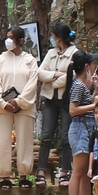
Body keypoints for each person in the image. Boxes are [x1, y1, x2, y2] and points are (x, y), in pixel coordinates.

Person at [0, 27, 39, 188]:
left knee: (24, 140)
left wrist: (19, 101)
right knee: (2, 141)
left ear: (21, 41)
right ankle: (5, 176)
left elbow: (32, 84)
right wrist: (3, 103)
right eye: (7, 37)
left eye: (12, 37)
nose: (8, 40)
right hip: (2, 108)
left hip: (25, 106)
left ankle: (23, 175)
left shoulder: (30, 60)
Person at [36, 24, 77, 184]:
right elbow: (40, 73)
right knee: (46, 135)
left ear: (59, 37)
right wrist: (57, 74)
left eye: (53, 36)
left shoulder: (74, 52)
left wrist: (52, 79)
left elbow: (72, 76)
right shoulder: (51, 53)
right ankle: (41, 171)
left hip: (66, 100)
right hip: (50, 100)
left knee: (66, 136)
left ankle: (65, 171)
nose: (52, 39)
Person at [65, 51, 98, 195]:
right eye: (93, 64)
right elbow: (73, 110)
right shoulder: (78, 85)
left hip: (87, 128)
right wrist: (94, 104)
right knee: (78, 172)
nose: (94, 67)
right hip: (80, 129)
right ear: (86, 67)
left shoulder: (82, 86)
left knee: (85, 173)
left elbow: (87, 104)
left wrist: (96, 91)